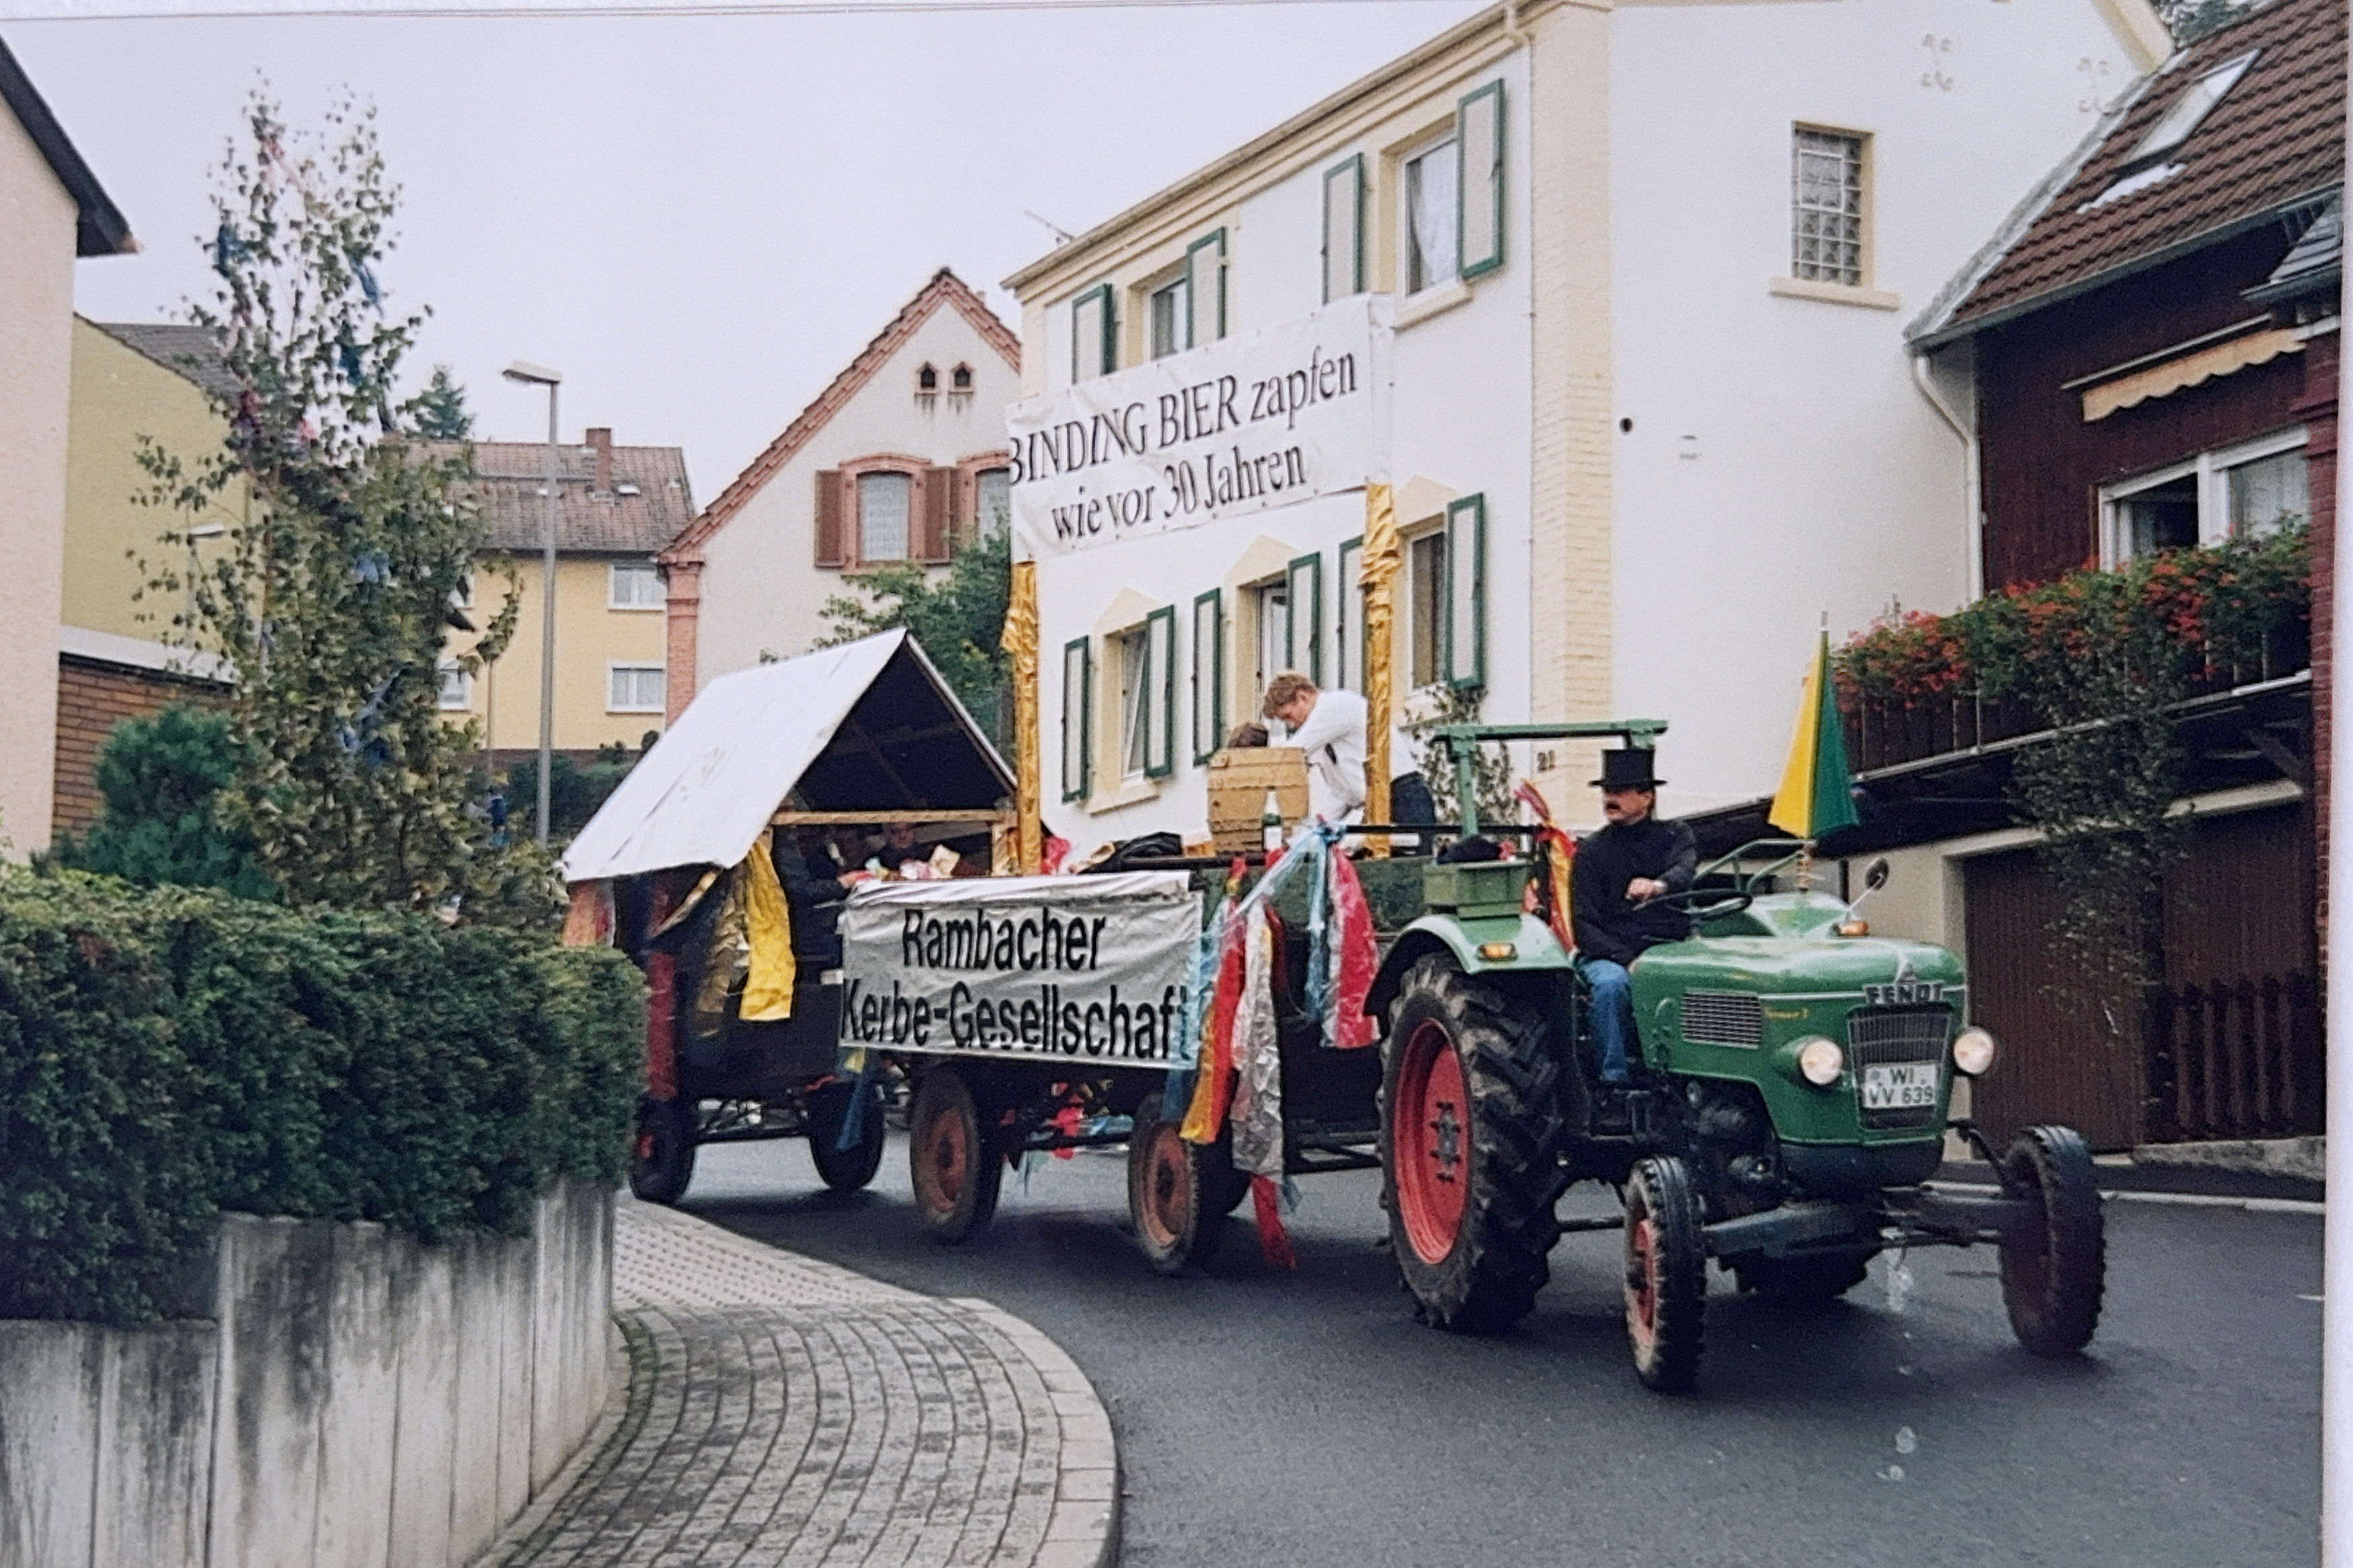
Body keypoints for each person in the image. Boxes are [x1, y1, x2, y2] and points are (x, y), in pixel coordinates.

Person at [1570, 749, 1696, 1086]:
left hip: (1668, 947)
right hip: (1609, 953)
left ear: (1647, 797)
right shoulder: (1591, 851)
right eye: (1607, 791)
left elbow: (1684, 870)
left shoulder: (1675, 836)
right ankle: (1614, 1080)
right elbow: (1583, 924)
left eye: (1619, 791)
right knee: (1611, 987)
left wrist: (1658, 885)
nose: (1609, 798)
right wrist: (1627, 960)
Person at [1261, 671, 1368, 825]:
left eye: (1288, 716)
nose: (1291, 725)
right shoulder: (1326, 734)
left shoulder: (1333, 706)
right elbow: (1342, 792)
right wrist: (1316, 827)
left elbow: (1292, 753)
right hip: (1378, 799)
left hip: (1397, 791)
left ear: (1303, 697)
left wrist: (1255, 768)